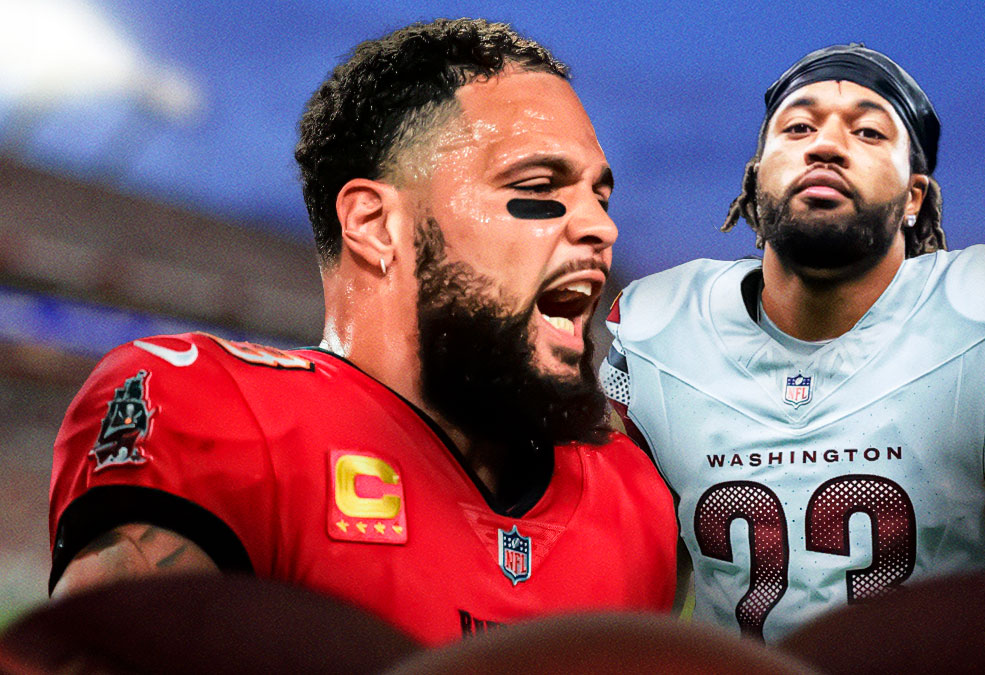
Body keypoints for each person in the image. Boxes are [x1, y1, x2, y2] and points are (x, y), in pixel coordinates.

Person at [48, 18, 677, 646]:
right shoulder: (218, 408)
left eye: (601, 197)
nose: (600, 227)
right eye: (539, 188)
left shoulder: (631, 495)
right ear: (376, 226)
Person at [600, 44, 985, 643]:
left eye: (868, 131)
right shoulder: (656, 331)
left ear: (915, 197)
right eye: (797, 127)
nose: (825, 145)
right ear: (755, 177)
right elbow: (631, 624)